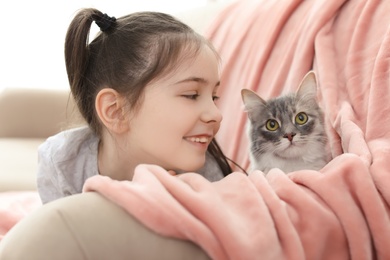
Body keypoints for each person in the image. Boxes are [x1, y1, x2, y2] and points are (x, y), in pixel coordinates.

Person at [37, 8, 237, 204]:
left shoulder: (204, 180)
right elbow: (63, 234)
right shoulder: (62, 164)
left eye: (214, 97)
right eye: (191, 95)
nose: (216, 114)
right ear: (116, 111)